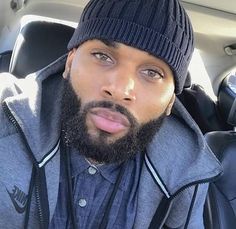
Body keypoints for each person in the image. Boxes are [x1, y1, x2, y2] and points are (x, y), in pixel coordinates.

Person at [0, 0, 222, 228]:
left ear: (170, 103)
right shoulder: (7, 116)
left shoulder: (185, 169)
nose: (119, 90)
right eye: (102, 56)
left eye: (152, 72)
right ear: (70, 62)